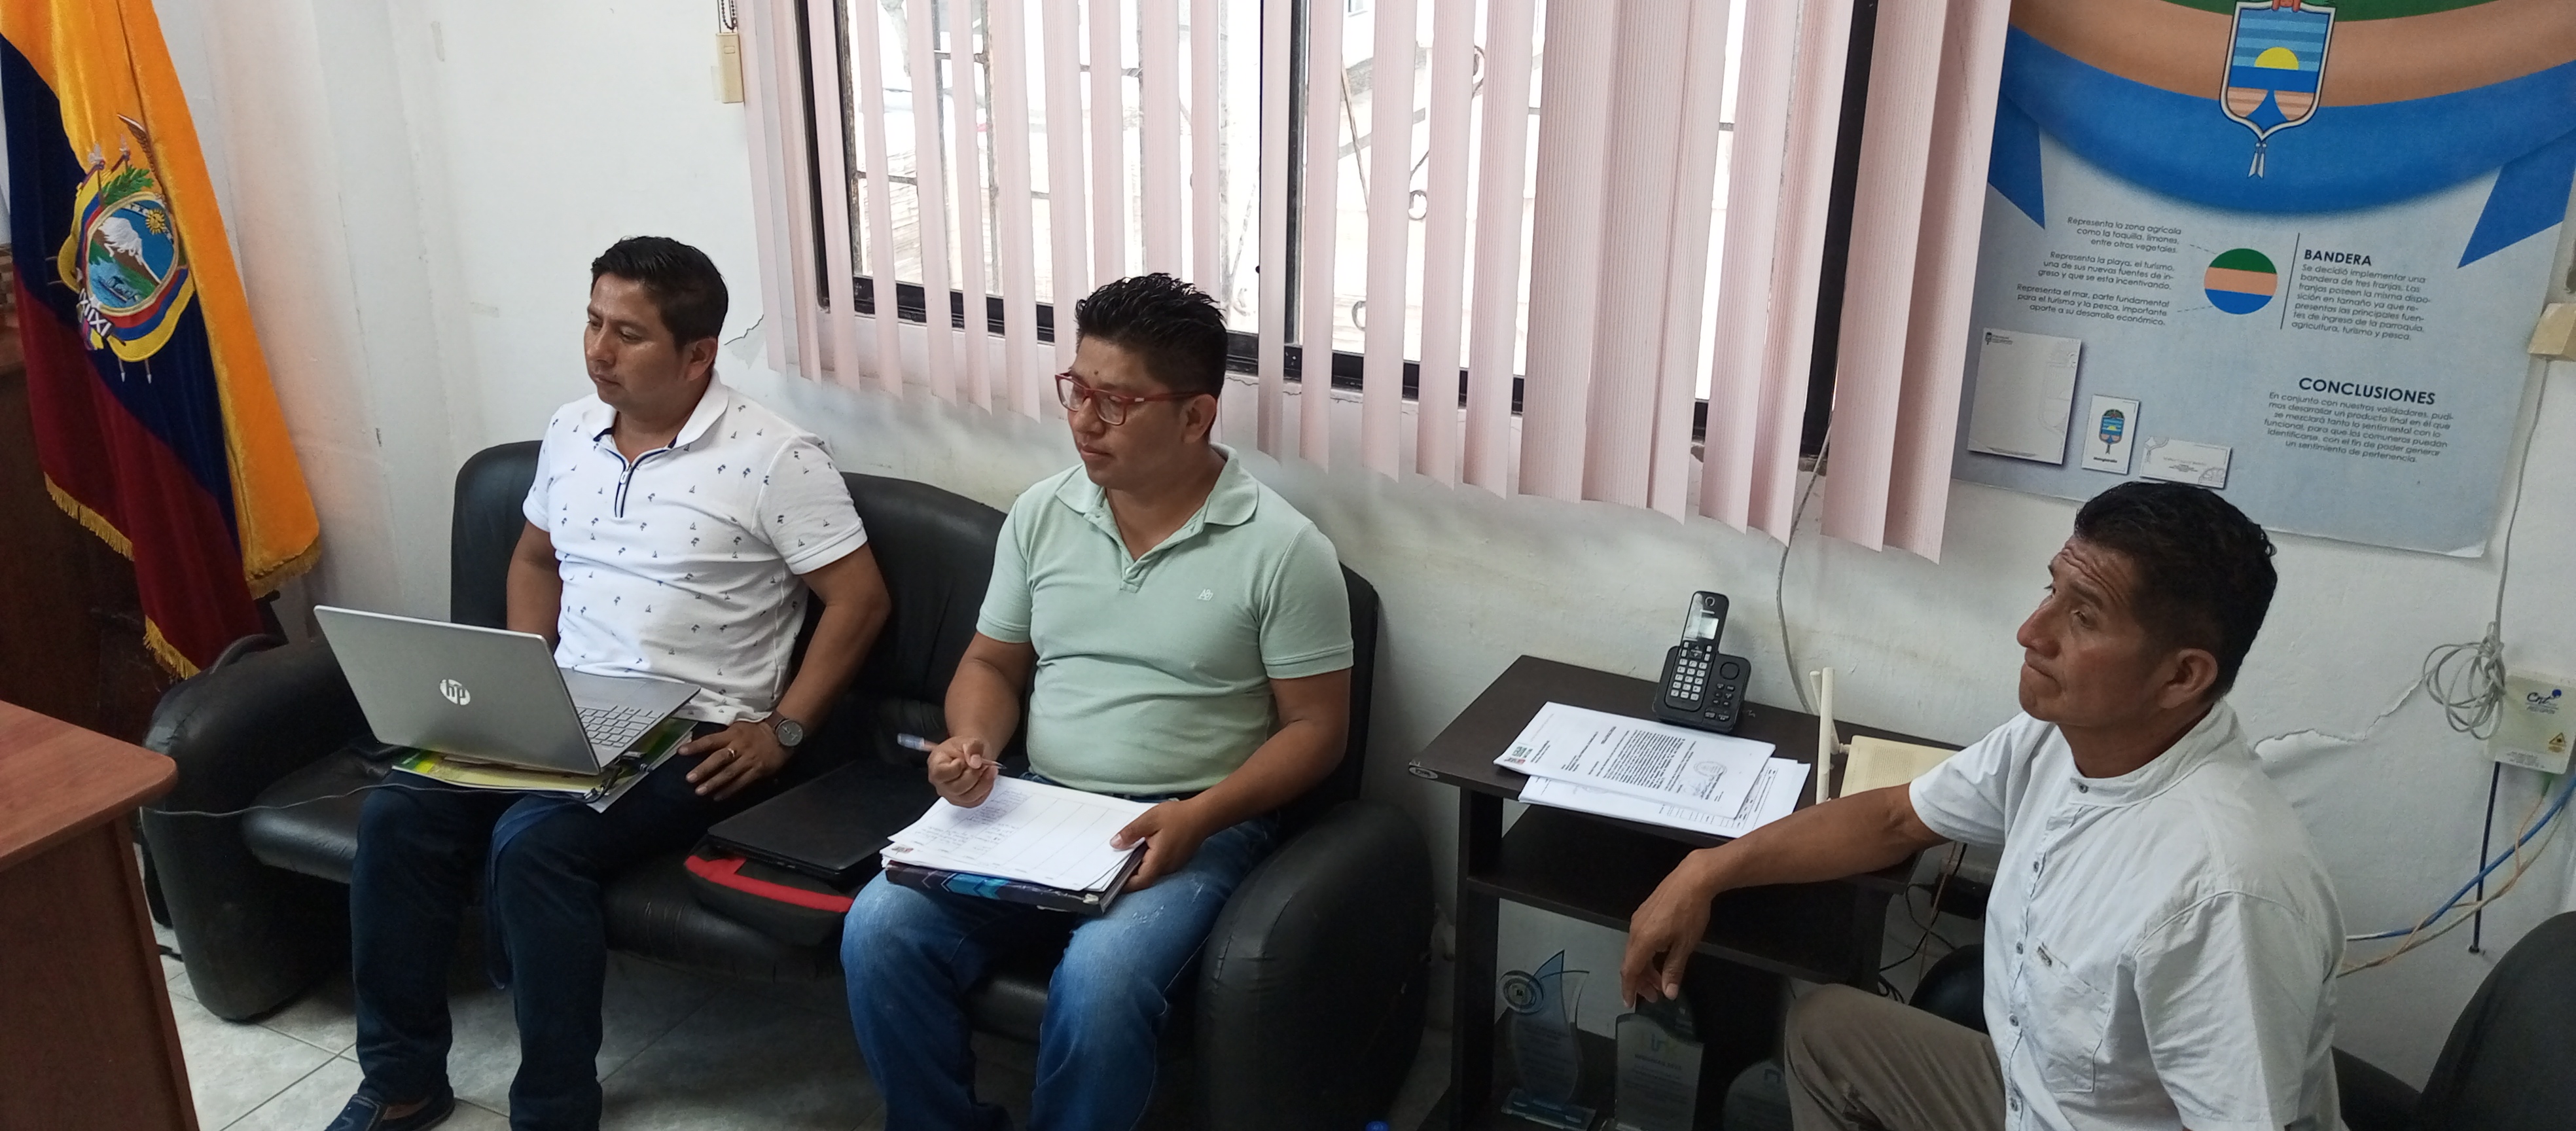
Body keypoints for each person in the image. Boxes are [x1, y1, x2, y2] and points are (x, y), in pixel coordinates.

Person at [329, 236, 891, 1131]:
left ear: (697, 355)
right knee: (399, 815)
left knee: (534, 843)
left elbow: (860, 600)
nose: (598, 349)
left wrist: (783, 729)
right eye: (593, 322)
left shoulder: (775, 458)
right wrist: (522, 675)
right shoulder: (570, 432)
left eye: (627, 334)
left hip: (694, 733)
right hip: (563, 706)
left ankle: (554, 1109)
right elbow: (534, 557)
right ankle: (401, 1078)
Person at [1622, 482, 2344, 1131]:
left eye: (2083, 616)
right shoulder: (2059, 735)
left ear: (2183, 676)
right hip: (2028, 1095)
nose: (2032, 631)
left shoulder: (2224, 892)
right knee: (1826, 1030)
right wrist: (1706, 870)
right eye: (2052, 589)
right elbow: (1896, 820)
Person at [840, 273, 1355, 1131]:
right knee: (880, 927)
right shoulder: (1044, 513)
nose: (1084, 420)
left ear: (1194, 416)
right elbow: (991, 664)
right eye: (1076, 390)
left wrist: (1199, 816)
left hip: (1192, 822)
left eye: (1116, 401)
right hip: (1041, 803)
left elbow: (1318, 730)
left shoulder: (1283, 550)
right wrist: (973, 743)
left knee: (1103, 979)